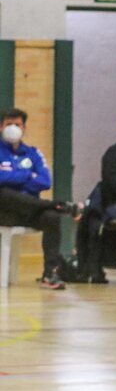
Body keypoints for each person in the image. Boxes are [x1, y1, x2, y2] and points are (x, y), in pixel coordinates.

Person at [0, 107, 81, 290]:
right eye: (9, 124)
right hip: (4, 212)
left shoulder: (33, 153)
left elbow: (45, 182)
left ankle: (50, 274)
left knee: (52, 217)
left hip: (29, 211)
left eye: (17, 124)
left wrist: (15, 176)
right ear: (1, 127)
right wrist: (27, 176)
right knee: (3, 194)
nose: (13, 128)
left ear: (24, 128)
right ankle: (57, 204)